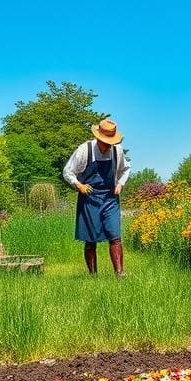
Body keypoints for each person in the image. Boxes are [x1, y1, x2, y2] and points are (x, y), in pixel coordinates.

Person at [62, 118, 131, 276]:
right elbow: (67, 171)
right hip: (90, 197)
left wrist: (120, 183)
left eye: (110, 142)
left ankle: (120, 274)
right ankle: (93, 275)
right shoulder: (85, 149)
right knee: (91, 239)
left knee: (115, 236)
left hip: (110, 197)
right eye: (105, 142)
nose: (108, 145)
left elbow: (125, 169)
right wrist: (79, 185)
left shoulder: (116, 151)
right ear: (98, 138)